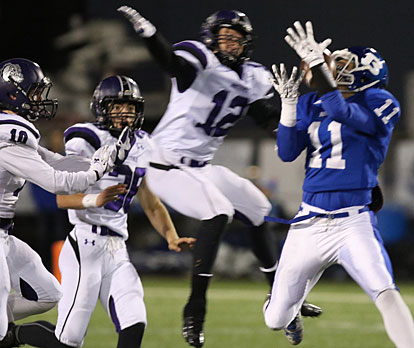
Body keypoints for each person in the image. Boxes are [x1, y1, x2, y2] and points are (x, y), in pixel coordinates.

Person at [117, 6, 322, 347]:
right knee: (219, 212)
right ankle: (194, 309)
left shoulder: (253, 77)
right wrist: (150, 34)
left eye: (236, 39)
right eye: (223, 38)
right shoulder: (198, 62)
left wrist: (297, 120)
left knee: (258, 208)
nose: (229, 45)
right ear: (210, 41)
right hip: (164, 166)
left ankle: (281, 298)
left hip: (200, 168)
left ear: (247, 44)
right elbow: (171, 62)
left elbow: (265, 116)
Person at [3, 75, 196, 348]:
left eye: (130, 107)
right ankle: (13, 336)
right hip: (85, 245)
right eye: (117, 107)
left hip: (118, 248)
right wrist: (97, 199)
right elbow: (63, 198)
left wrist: (171, 236)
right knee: (68, 341)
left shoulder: (141, 143)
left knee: (134, 321)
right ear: (101, 108)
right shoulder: (86, 137)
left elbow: (150, 201)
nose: (124, 113)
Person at [263, 21, 414, 347]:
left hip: (352, 222)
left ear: (368, 72)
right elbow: (288, 152)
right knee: (274, 319)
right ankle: (291, 313)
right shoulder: (310, 103)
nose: (336, 69)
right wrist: (289, 106)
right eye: (335, 65)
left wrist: (318, 67)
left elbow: (344, 112)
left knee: (385, 290)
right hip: (308, 221)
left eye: (344, 66)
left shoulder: (380, 100)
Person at [0, 58, 129, 347]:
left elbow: (59, 161)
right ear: (13, 94)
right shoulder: (7, 137)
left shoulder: (17, 136)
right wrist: (96, 170)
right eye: (34, 92)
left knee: (49, 294)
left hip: (5, 234)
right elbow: (57, 182)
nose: (39, 99)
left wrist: (105, 160)